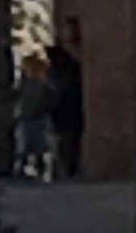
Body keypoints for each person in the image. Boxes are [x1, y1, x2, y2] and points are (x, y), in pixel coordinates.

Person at [47, 32, 86, 185]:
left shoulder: (67, 69)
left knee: (69, 140)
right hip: (64, 112)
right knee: (66, 141)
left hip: (68, 111)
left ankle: (69, 168)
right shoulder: (63, 68)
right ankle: (66, 168)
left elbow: (61, 88)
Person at [14, 50, 57, 183]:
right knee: (25, 144)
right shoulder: (25, 83)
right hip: (27, 117)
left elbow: (50, 99)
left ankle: (42, 167)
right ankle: (23, 167)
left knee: (40, 145)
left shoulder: (44, 85)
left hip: (39, 118)